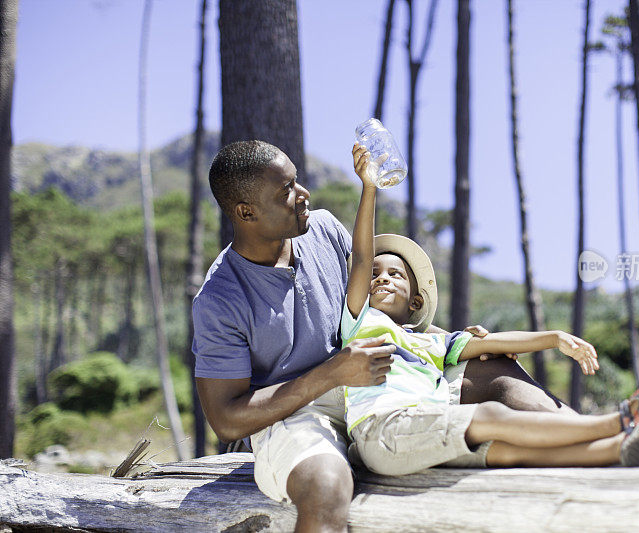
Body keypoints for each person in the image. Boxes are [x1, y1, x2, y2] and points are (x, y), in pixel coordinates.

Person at [191, 140, 617, 531]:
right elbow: (226, 419)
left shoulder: (322, 229)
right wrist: (331, 374)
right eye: (286, 190)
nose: (303, 193)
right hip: (296, 412)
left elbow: (371, 314)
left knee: (495, 366)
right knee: (326, 486)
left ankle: (605, 440)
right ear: (246, 212)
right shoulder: (220, 298)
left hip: (380, 379)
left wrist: (445, 341)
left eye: (297, 179)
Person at [342, 143, 639, 474]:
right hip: (383, 428)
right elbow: (360, 259)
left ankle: (620, 450)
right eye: (374, 275)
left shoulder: (433, 344)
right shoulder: (360, 320)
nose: (381, 279)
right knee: (491, 417)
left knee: (509, 452)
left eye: (394, 274)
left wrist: (554, 337)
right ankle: (622, 421)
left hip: (423, 434)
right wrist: (370, 188)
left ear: (416, 302)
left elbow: (496, 343)